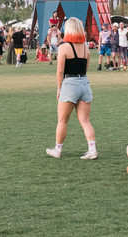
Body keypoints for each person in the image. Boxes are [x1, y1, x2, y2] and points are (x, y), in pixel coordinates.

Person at [46, 17, 98, 160]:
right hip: (84, 84)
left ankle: (58, 149)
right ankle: (92, 149)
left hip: (69, 84)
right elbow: (86, 68)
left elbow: (60, 71)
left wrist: (59, 88)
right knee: (85, 121)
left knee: (62, 120)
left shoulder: (64, 47)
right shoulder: (86, 47)